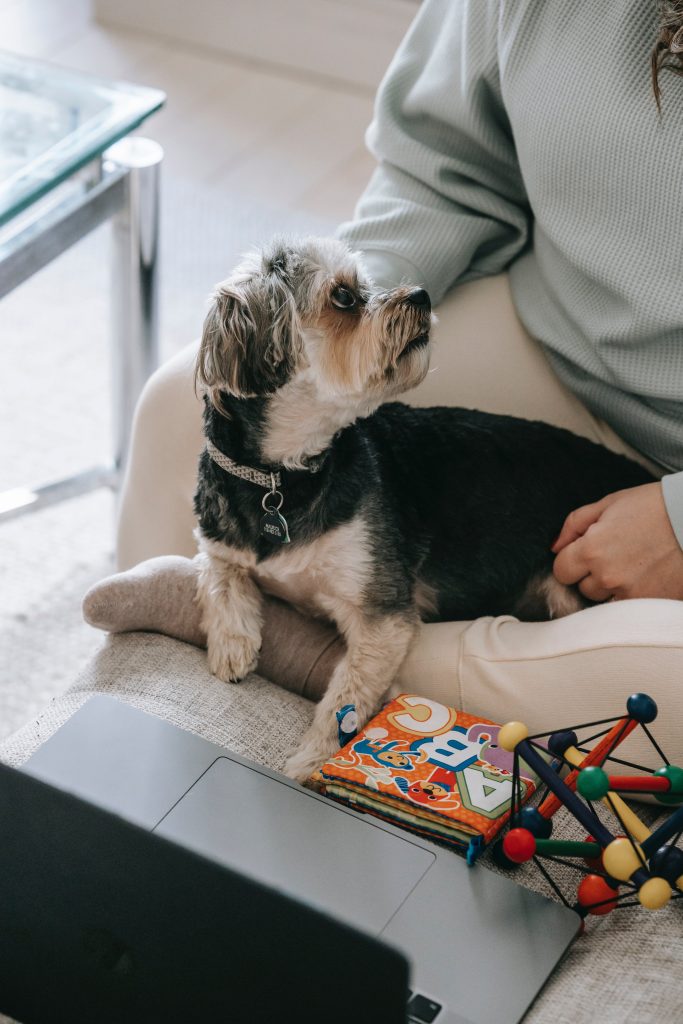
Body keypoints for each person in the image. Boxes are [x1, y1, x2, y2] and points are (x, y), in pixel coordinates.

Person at [111, 0, 683, 767]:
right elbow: (442, 167)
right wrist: (360, 326)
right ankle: (133, 761)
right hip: (562, 330)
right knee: (180, 408)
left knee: (662, 679)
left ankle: (306, 651)